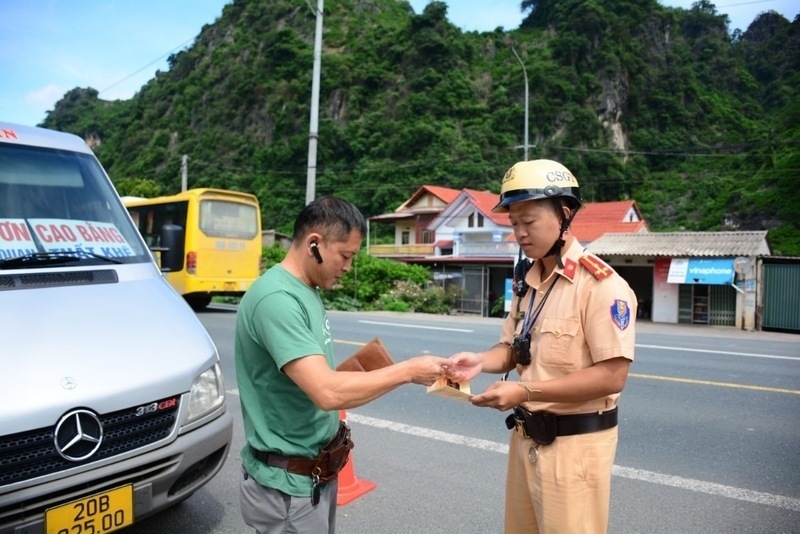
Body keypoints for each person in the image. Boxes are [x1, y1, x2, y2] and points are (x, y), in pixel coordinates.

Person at [235, 196, 449, 534]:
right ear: (315, 244)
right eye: (345, 256)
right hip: (288, 489)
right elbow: (326, 392)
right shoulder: (277, 299)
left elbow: (313, 381)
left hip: (314, 474)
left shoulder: (307, 289)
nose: (348, 267)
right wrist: (408, 371)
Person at [445, 160, 637, 534]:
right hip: (526, 439)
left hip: (575, 448)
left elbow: (613, 376)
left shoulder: (600, 286)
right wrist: (479, 362)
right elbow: (514, 349)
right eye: (513, 223)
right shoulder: (528, 283)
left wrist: (524, 389)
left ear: (564, 215)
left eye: (528, 222)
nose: (519, 233)